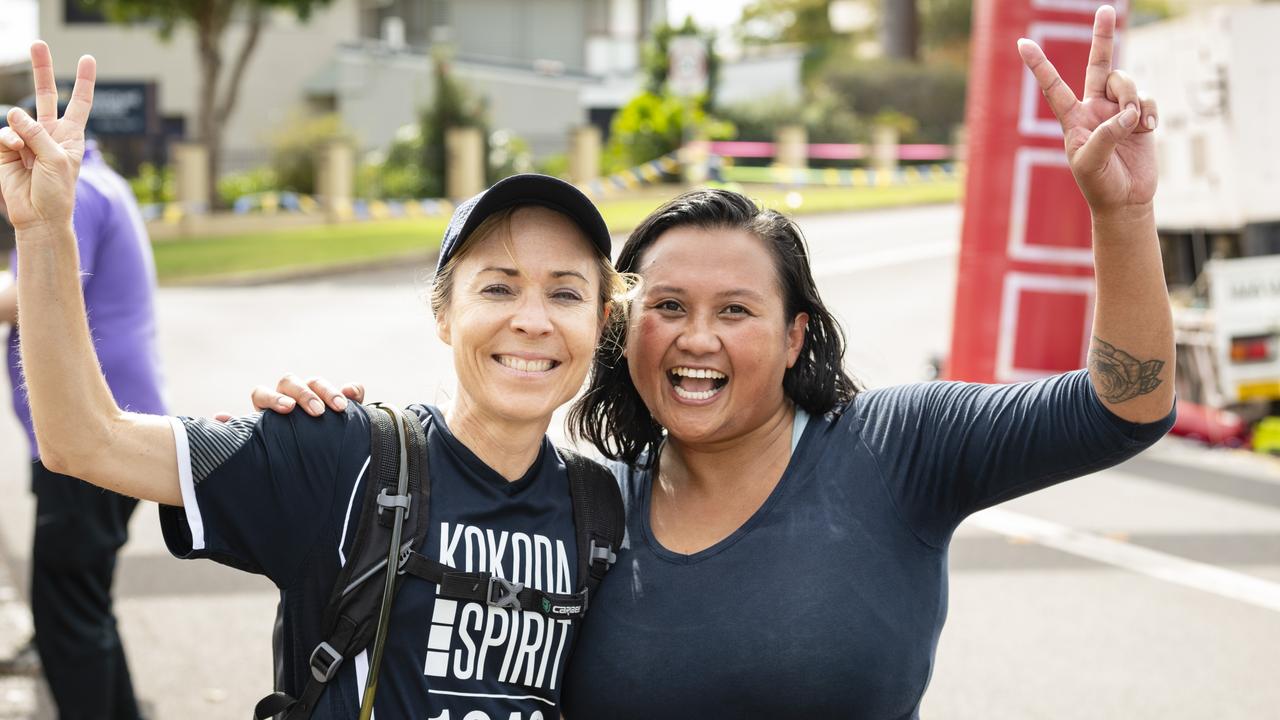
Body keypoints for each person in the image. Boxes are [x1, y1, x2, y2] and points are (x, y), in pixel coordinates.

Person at [263, 7, 1175, 718]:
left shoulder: (899, 446)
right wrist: (326, 433)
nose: (696, 339)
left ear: (795, 337)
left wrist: (1121, 216)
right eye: (666, 307)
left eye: (735, 311)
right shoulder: (586, 506)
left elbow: (1121, 407)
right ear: (628, 331)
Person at [0, 42, 629, 718]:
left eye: (565, 295)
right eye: (499, 288)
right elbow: (85, 441)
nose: (532, 321)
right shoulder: (338, 454)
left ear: (601, 322)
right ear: (444, 315)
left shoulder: (602, 509)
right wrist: (43, 233)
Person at [0, 100, 164, 718]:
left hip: (94, 433)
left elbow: (32, 288)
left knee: (67, 608)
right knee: (81, 601)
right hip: (99, 428)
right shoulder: (103, 180)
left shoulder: (79, 193)